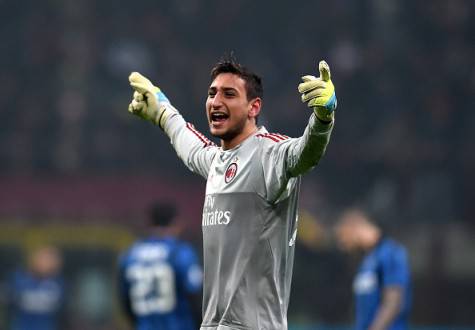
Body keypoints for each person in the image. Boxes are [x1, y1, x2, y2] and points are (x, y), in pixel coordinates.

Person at [126, 55, 337, 330]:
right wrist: (161, 110)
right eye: (212, 93)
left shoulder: (269, 154)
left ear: (253, 107)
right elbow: (188, 143)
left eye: (229, 94)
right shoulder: (217, 162)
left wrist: (323, 118)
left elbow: (305, 153)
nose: (216, 101)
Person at [118, 201, 203, 330]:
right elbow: (196, 296)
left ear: (150, 223)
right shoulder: (180, 253)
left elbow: (125, 302)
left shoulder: (130, 255)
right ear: (176, 223)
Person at [335, 209, 411, 330]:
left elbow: (393, 303)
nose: (342, 245)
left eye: (343, 236)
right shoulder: (367, 260)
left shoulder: (390, 253)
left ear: (355, 227)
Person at [6, 246, 65, 330]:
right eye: (43, 259)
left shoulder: (58, 283)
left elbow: (60, 307)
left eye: (50, 260)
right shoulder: (19, 278)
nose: (46, 263)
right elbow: (11, 302)